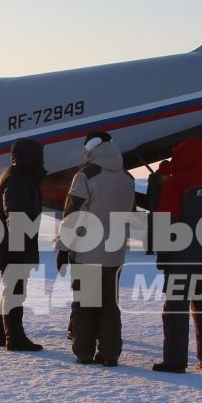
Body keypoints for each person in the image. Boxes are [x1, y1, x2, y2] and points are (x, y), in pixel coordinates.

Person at [152, 137, 202, 373]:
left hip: (180, 258)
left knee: (176, 308)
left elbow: (167, 220)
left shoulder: (176, 182)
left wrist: (163, 254)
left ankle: (175, 361)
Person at [58, 133, 135, 365]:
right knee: (109, 305)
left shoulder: (86, 175)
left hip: (88, 252)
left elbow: (72, 214)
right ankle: (110, 354)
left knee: (85, 304)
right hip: (115, 254)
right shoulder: (127, 177)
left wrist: (63, 247)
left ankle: (84, 351)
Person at [0, 136, 47, 351]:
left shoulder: (15, 175)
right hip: (14, 246)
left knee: (11, 289)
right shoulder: (19, 178)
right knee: (15, 290)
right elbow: (15, 213)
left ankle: (1, 334)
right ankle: (14, 337)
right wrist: (19, 248)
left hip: (9, 244)